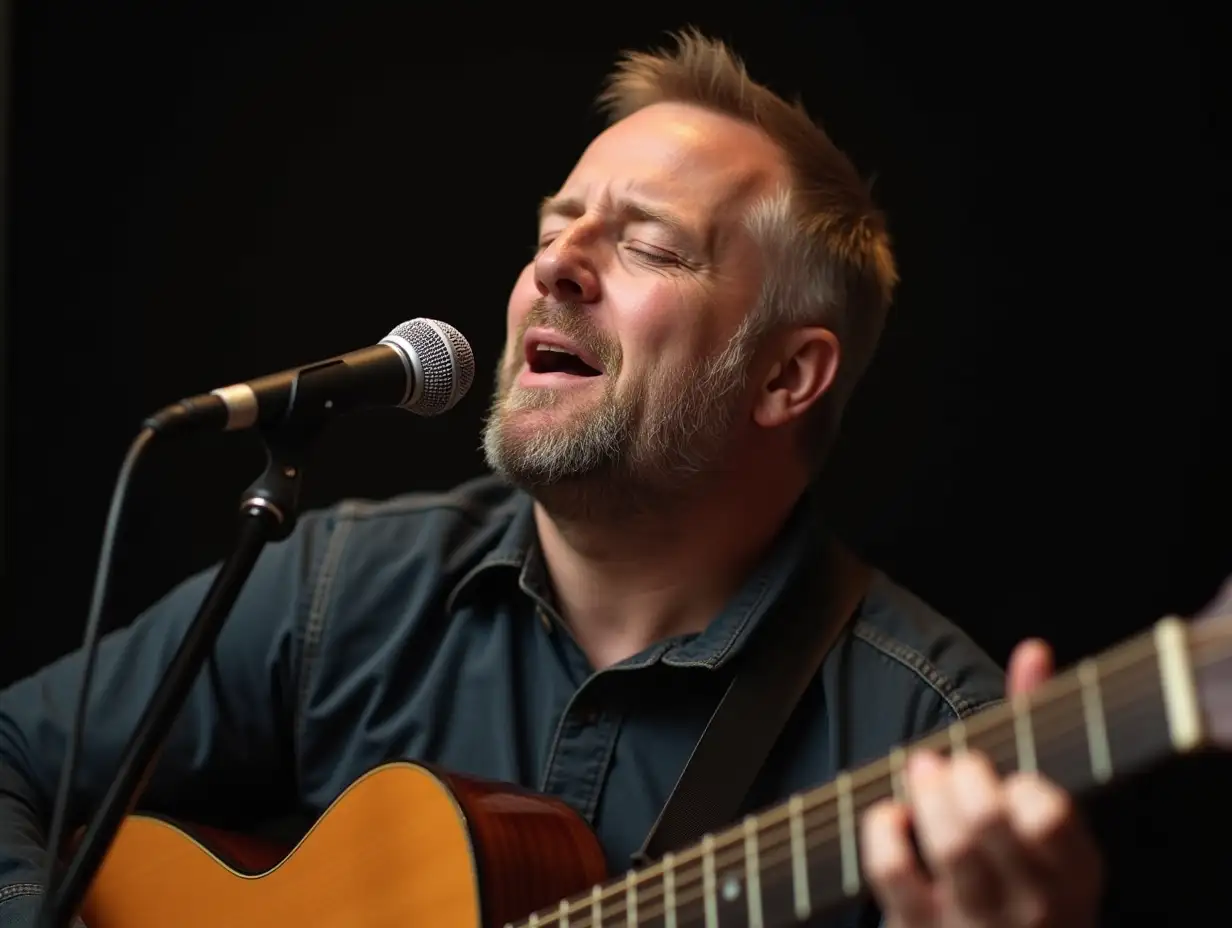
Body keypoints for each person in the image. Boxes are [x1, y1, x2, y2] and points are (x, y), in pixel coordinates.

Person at [0, 29, 1104, 928]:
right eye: (553, 227)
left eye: (649, 246)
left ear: (784, 375)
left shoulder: (933, 734)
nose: (551, 266)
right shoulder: (339, 589)